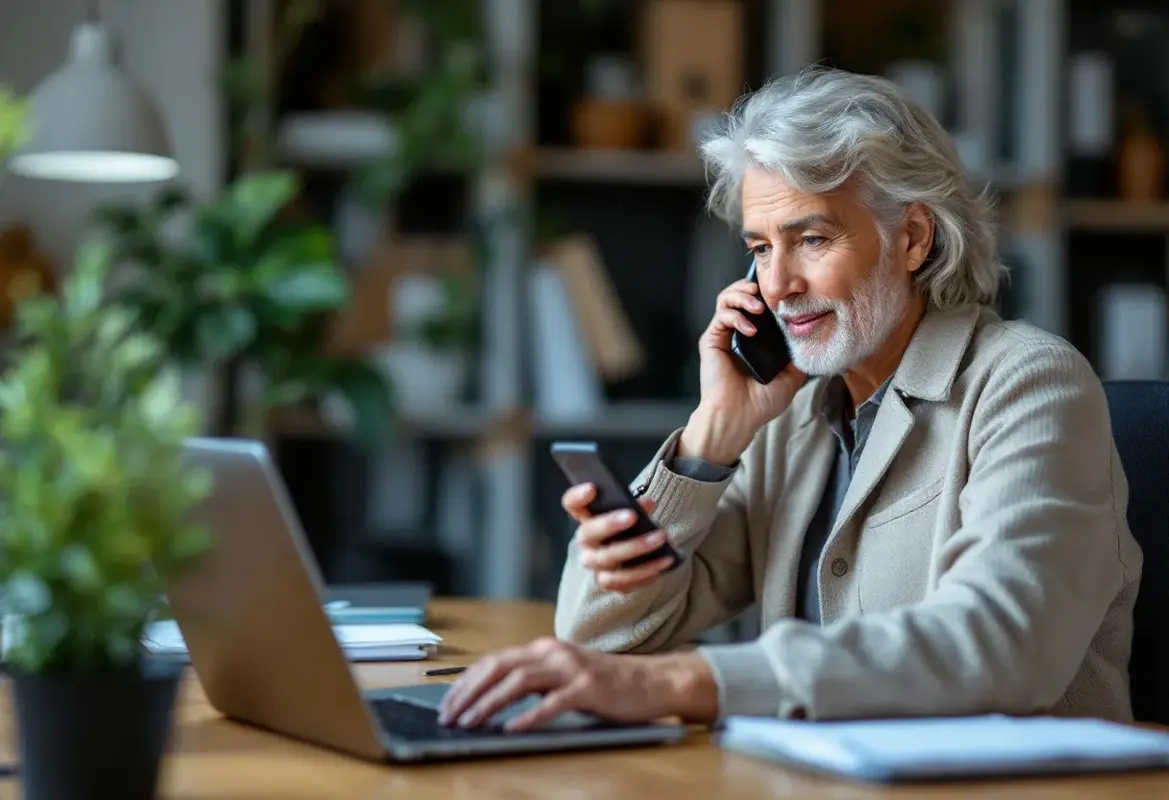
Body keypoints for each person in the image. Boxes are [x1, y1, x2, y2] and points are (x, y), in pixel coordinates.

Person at [437, 67, 1143, 733]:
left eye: (810, 238)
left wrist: (692, 685)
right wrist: (709, 440)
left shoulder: (1028, 383)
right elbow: (604, 642)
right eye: (760, 248)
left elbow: (1002, 644)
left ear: (913, 238)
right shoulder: (793, 417)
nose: (777, 285)